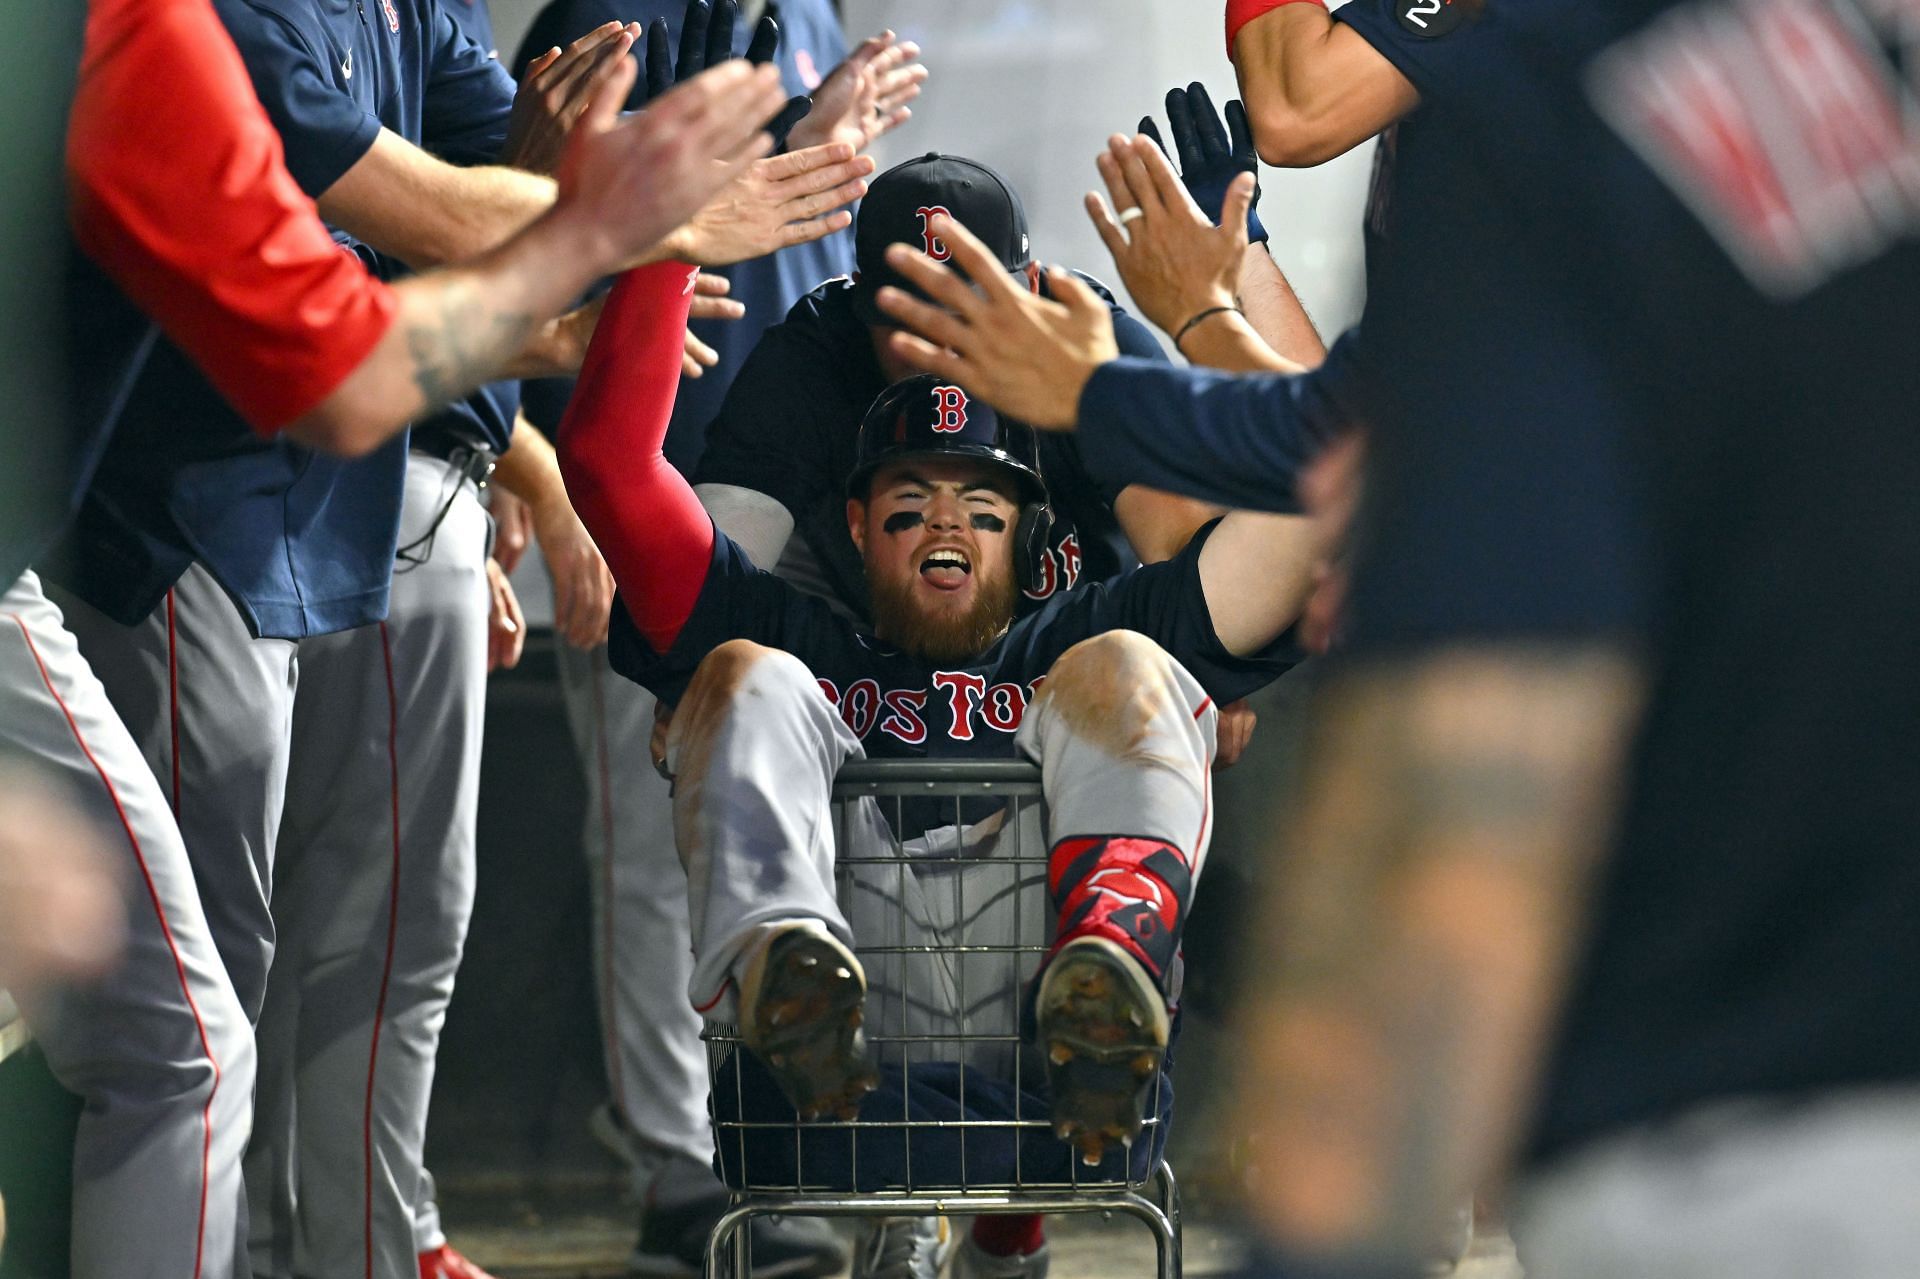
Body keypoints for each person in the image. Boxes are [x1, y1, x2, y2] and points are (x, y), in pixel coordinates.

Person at [8, 2, 783, 1276]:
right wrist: (608, 225)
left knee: (309, 964)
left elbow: (447, 234)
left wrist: (576, 238)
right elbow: (365, 321)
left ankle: (370, 1245)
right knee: (190, 1025)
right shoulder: (176, 22)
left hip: (321, 506)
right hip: (184, 519)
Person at [555, 229, 1322, 1272]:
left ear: (1029, 534)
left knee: (1128, 662)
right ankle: (790, 969)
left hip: (1044, 1027)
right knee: (739, 669)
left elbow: (1308, 512)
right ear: (860, 529)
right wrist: (663, 237)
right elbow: (606, 466)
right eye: (911, 506)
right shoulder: (795, 629)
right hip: (841, 1043)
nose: (946, 524)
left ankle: (1112, 963)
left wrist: (1202, 319)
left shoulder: (1077, 630)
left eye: (983, 505)